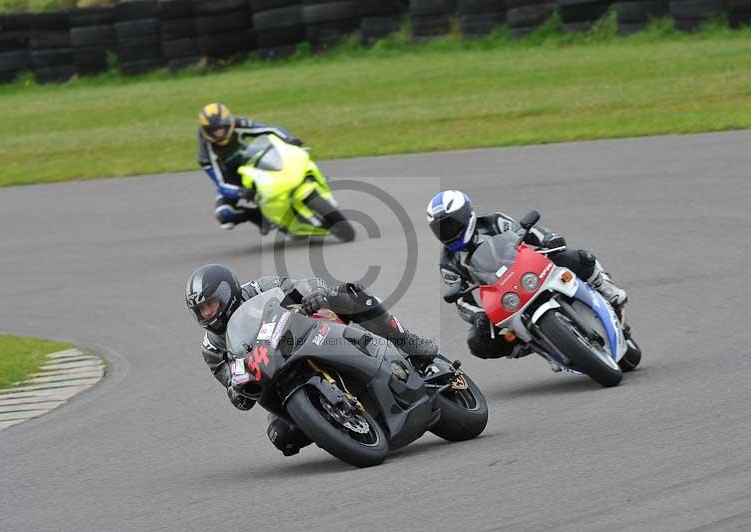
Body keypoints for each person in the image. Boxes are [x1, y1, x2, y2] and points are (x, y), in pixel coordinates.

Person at [185, 264, 439, 456]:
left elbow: (301, 285)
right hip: (272, 374)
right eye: (201, 310)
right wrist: (238, 391)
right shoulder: (212, 349)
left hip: (302, 333)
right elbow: (231, 385)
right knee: (282, 437)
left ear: (227, 291)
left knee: (347, 293)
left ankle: (408, 341)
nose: (208, 313)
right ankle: (335, 423)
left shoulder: (258, 288)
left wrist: (315, 294)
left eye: (211, 304)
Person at [426, 190, 628, 365]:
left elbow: (531, 231)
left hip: (530, 270)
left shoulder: (494, 222)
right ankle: (529, 343)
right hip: (503, 295)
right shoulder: (448, 263)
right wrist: (477, 315)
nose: (447, 233)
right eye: (440, 229)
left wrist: (549, 239)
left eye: (450, 225)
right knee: (478, 342)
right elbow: (461, 301)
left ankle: (605, 287)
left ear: (467, 215)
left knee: (575, 257)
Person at [197, 102, 303, 234]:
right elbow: (221, 184)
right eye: (214, 130)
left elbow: (268, 129)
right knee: (224, 215)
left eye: (221, 128)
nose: (219, 133)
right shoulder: (205, 156)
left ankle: (302, 181)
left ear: (228, 123)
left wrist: (288, 139)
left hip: (249, 162)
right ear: (206, 131)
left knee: (281, 161)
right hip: (231, 180)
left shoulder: (237, 124)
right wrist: (240, 192)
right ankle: (258, 216)